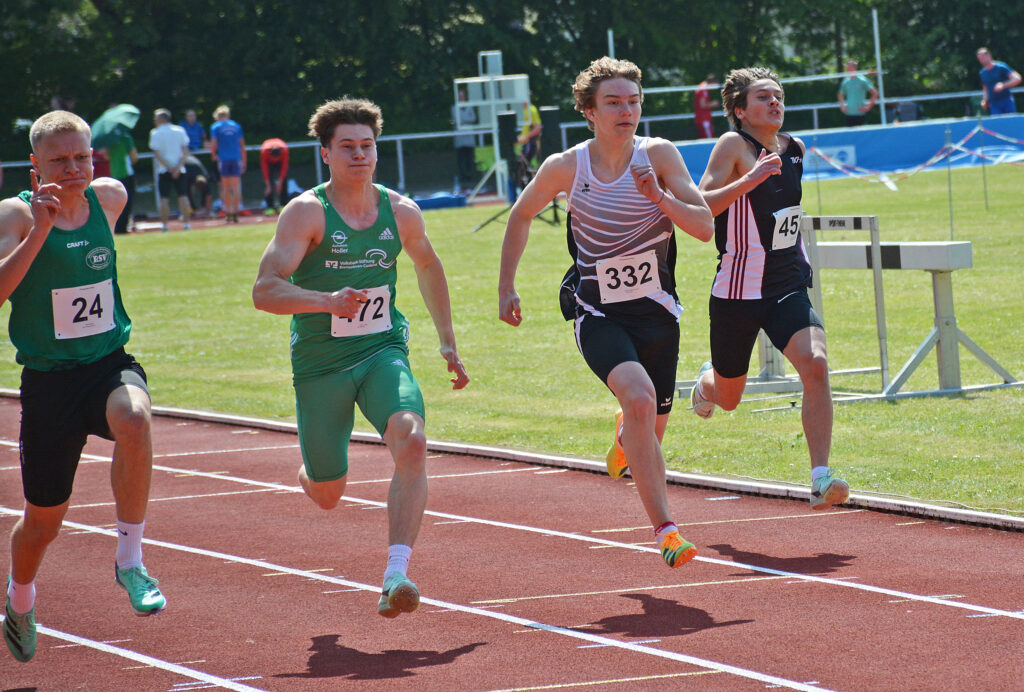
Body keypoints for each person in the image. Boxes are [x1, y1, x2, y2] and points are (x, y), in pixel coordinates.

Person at [252, 97, 469, 618]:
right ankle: (310, 471)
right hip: (321, 363)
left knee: (412, 440)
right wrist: (325, 302)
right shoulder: (306, 212)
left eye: (367, 146)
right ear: (325, 153)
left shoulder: (401, 211)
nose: (359, 155)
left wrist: (447, 340)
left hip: (381, 349)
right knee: (328, 494)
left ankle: (396, 573)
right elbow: (265, 290)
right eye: (346, 147)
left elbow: (427, 265)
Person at [498, 57, 714, 570]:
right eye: (613, 102)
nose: (627, 111)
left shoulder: (658, 155)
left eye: (634, 101)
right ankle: (667, 531)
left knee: (648, 428)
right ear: (589, 112)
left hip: (658, 312)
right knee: (638, 397)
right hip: (596, 309)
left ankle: (625, 434)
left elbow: (704, 226)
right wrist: (507, 286)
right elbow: (521, 214)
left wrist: (657, 197)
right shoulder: (566, 166)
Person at [0, 111, 166, 663]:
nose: (73, 169)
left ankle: (130, 560)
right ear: (34, 165)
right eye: (59, 160)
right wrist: (42, 231)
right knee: (43, 522)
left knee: (135, 417)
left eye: (81, 157)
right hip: (48, 381)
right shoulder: (15, 216)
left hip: (106, 363)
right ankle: (20, 599)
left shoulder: (109, 199)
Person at [691, 67, 850, 511]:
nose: (775, 103)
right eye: (764, 97)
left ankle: (820, 477)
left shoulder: (795, 148)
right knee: (729, 398)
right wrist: (750, 179)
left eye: (779, 96)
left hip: (785, 282)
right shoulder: (733, 146)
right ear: (740, 110)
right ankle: (705, 385)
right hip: (738, 289)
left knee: (816, 363)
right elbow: (701, 206)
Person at [148, 108, 191, 231]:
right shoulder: (180, 130)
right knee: (183, 196)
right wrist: (177, 167)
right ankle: (187, 224)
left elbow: (157, 153)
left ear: (161, 119)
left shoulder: (155, 133)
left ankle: (165, 225)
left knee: (164, 198)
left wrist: (169, 168)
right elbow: (185, 151)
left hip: (164, 169)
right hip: (180, 169)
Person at [209, 105, 245, 223]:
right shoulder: (236, 126)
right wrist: (244, 161)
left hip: (224, 159)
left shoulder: (215, 127)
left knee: (226, 187)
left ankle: (228, 212)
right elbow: (241, 146)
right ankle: (236, 211)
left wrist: (213, 154)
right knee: (235, 187)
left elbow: (214, 143)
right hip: (236, 159)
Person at [103, 130, 138, 234]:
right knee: (127, 201)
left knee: (115, 202)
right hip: (127, 173)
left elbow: (106, 156)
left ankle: (117, 227)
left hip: (115, 174)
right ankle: (123, 227)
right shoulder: (125, 137)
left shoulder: (108, 139)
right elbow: (134, 157)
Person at [976, 47, 1022, 115]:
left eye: (983, 57)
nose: (981, 60)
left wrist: (1003, 85)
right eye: (979, 58)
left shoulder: (1001, 67)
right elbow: (985, 89)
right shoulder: (982, 73)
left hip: (1006, 101)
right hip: (994, 104)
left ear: (989, 55)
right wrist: (985, 100)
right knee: (997, 124)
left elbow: (1017, 78)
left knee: (1010, 123)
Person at [837, 59, 878, 127]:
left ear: (854, 68)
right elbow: (840, 94)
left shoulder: (862, 80)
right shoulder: (846, 81)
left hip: (860, 115)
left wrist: (868, 107)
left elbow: (875, 93)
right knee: (849, 136)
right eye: (846, 68)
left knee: (862, 136)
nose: (847, 70)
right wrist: (842, 106)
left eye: (849, 68)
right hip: (849, 115)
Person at [451, 89, 477, 189]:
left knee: (469, 159)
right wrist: (466, 120)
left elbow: (473, 118)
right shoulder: (454, 108)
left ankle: (470, 178)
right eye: (460, 96)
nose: (461, 98)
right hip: (460, 139)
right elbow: (457, 120)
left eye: (462, 96)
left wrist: (464, 121)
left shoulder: (469, 107)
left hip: (469, 138)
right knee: (461, 159)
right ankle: (463, 179)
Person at [260, 137, 289, 214]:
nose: (275, 160)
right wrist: (268, 186)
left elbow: (284, 168)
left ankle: (283, 205)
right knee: (268, 183)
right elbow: (265, 169)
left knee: (284, 182)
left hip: (281, 161)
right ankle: (270, 207)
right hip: (268, 163)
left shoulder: (284, 151)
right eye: (274, 158)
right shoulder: (265, 152)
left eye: (277, 158)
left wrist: (280, 183)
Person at [517, 93, 542, 168]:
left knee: (524, 166)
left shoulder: (531, 109)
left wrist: (526, 137)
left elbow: (537, 128)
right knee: (521, 167)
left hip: (530, 144)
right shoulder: (523, 110)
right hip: (524, 144)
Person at [694, 74, 719, 139]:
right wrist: (713, 104)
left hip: (702, 118)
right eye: (715, 84)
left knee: (705, 139)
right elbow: (703, 105)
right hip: (704, 119)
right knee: (709, 139)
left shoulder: (702, 86)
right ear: (712, 82)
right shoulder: (704, 89)